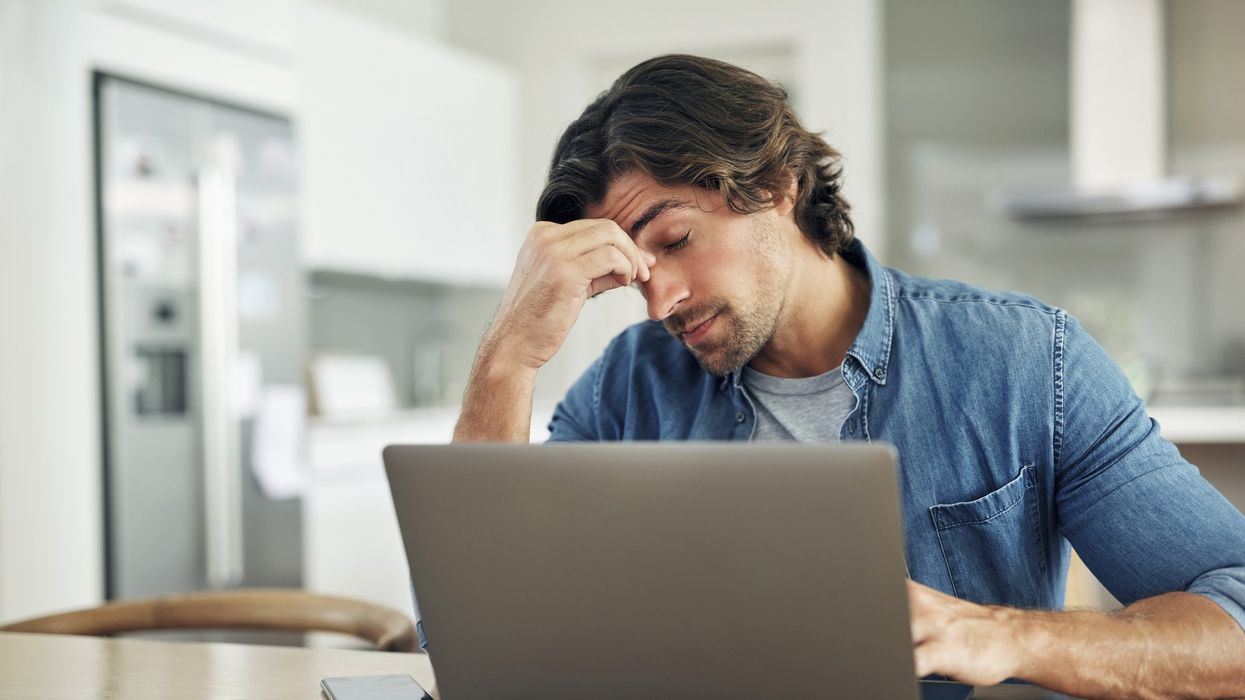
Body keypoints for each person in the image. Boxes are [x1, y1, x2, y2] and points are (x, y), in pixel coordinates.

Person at [452, 54, 1245, 696]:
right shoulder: (628, 385)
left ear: (776, 185)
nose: (659, 302)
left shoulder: (1027, 361)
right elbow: (475, 632)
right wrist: (507, 355)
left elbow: (1233, 614)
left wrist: (1003, 635)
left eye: (676, 240)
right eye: (632, 273)